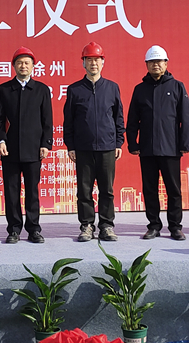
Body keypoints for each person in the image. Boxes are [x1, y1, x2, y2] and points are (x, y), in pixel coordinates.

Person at [126, 45, 189, 241]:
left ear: (166, 63)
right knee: (150, 190)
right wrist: (133, 143)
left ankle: (175, 227)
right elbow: (132, 119)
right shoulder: (140, 89)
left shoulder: (177, 86)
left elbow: (185, 117)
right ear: (146, 64)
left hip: (171, 148)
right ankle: (153, 225)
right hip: (147, 149)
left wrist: (185, 143)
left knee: (174, 190)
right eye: (152, 62)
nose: (156, 65)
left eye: (159, 61)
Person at [63, 41, 125, 242]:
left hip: (107, 147)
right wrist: (71, 146)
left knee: (107, 189)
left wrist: (118, 142)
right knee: (84, 190)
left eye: (97, 59)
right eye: (89, 60)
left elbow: (118, 117)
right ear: (83, 63)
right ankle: (87, 225)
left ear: (103, 62)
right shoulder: (74, 90)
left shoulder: (112, 88)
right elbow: (68, 121)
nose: (93, 63)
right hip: (83, 148)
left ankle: (106, 225)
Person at [0, 46, 53, 244]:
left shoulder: (41, 90)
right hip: (9, 150)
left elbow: (47, 120)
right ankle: (13, 229)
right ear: (14, 66)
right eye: (19, 63)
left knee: (32, 191)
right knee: (11, 192)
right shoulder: (3, 90)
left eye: (27, 63)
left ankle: (34, 229)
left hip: (34, 149)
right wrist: (1, 140)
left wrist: (45, 144)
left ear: (33, 66)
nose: (23, 66)